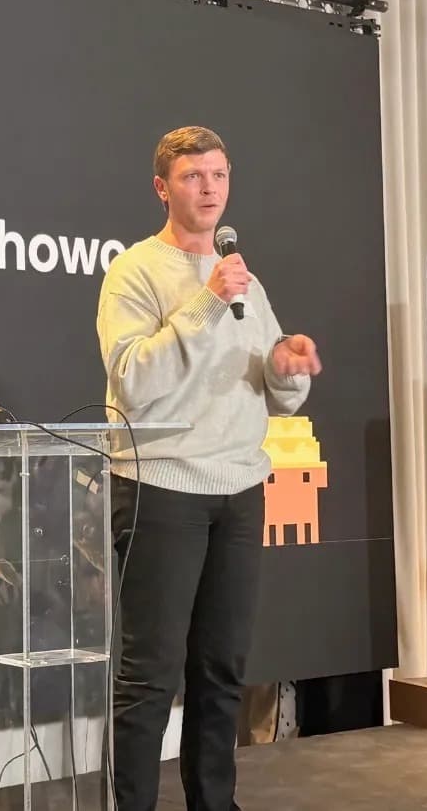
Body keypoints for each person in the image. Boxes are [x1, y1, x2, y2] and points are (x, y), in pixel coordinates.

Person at [96, 125, 322, 811]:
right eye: (194, 176)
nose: (210, 188)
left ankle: (214, 805)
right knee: (150, 674)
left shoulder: (246, 280)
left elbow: (275, 392)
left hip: (240, 488)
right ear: (162, 188)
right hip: (161, 487)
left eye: (219, 175)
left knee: (222, 669)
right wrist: (207, 302)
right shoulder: (135, 271)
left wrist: (287, 367)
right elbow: (134, 380)